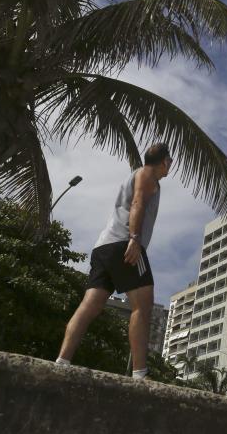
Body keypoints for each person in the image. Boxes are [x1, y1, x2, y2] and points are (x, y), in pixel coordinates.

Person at [55, 143, 172, 379]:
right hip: (123, 243)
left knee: (90, 305)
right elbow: (138, 202)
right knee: (143, 304)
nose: (170, 166)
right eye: (169, 161)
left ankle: (61, 361)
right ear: (164, 162)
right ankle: (140, 374)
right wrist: (135, 239)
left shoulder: (137, 174)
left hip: (103, 246)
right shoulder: (148, 175)